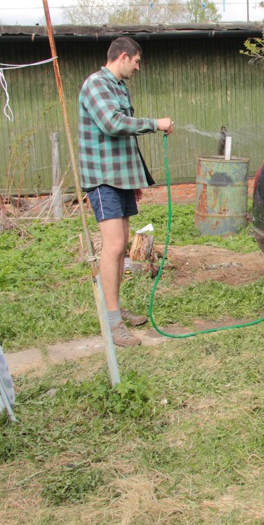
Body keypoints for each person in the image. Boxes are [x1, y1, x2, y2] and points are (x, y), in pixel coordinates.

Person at [78, 36, 174, 346]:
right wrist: (156, 123)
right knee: (115, 246)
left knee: (121, 252)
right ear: (122, 56)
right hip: (103, 179)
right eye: (136, 62)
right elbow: (113, 124)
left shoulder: (119, 87)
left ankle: (115, 308)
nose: (137, 67)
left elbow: (124, 140)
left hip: (120, 179)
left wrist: (134, 181)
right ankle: (113, 322)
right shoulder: (95, 85)